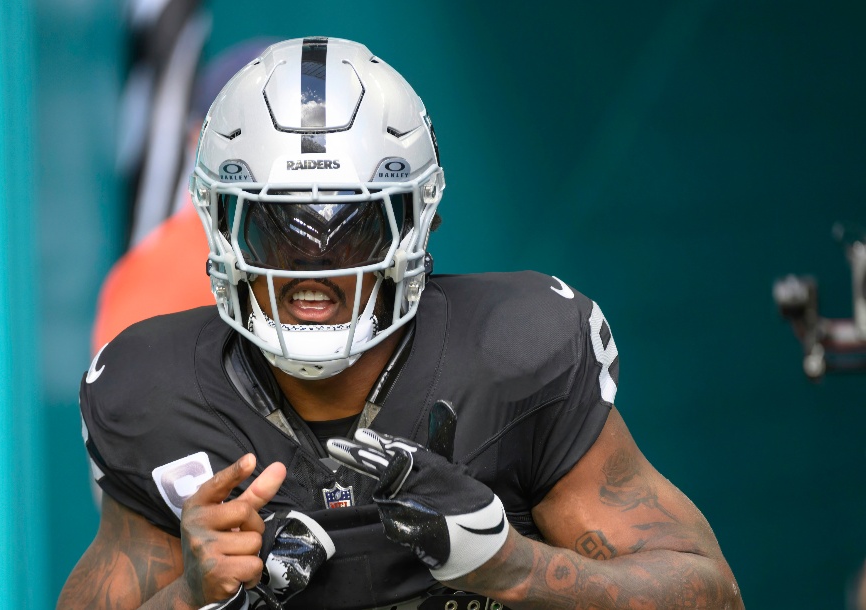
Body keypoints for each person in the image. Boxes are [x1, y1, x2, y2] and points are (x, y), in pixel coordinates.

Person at [58, 37, 743, 610]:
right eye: (275, 231)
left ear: (419, 220)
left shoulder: (516, 354)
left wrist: (510, 565)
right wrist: (189, 596)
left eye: (348, 230)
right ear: (218, 222)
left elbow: (713, 595)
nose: (311, 272)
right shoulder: (156, 391)